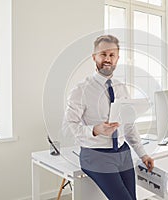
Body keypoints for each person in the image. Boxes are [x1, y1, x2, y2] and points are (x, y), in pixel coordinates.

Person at [63, 34, 154, 200]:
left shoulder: (121, 88)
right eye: (103, 54)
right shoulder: (81, 90)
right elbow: (69, 127)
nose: (107, 59)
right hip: (95, 155)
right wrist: (95, 130)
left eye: (112, 55)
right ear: (94, 57)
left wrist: (143, 154)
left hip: (122, 152)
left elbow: (129, 125)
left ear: (117, 59)